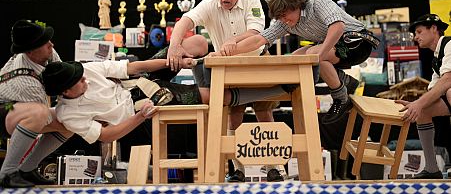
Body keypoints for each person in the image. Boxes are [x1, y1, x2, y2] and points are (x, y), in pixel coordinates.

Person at [166, 0, 284, 182]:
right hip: (228, 70)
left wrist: (234, 41)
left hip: (257, 63)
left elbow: (257, 32)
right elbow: (185, 20)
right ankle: (237, 169)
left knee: (264, 114)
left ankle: (273, 167)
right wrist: (174, 46)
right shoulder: (211, 3)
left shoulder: (252, 1)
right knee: (234, 116)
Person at [219, 0, 379, 125]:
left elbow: (337, 27)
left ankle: (341, 97)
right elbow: (259, 39)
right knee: (293, 60)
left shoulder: (316, 1)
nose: (284, 21)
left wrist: (319, 56)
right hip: (334, 47)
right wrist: (228, 51)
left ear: (295, 5)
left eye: (285, 15)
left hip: (358, 42)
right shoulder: (285, 22)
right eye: (280, 18)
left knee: (311, 54)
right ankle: (342, 80)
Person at [41, 59, 293, 146]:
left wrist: (174, 60)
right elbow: (107, 135)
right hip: (140, 109)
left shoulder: (87, 69)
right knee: (215, 97)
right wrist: (139, 117)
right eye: (78, 80)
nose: (83, 77)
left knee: (191, 44)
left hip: (137, 83)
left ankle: (201, 73)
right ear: (65, 91)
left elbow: (134, 67)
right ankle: (279, 89)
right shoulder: (67, 114)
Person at [0, 20, 72, 188]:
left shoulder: (48, 52)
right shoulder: (24, 82)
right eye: (45, 42)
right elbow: (43, 118)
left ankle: (28, 169)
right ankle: (7, 173)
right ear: (30, 51)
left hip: (19, 110)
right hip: (5, 109)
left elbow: (63, 79)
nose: (51, 44)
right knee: (39, 113)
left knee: (71, 120)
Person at [396, 14, 451, 179]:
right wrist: (417, 105)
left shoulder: (450, 44)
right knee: (423, 111)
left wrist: (419, 103)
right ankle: (432, 168)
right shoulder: (436, 56)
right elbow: (435, 90)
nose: (416, 37)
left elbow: (447, 80)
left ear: (434, 29)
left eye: (419, 32)